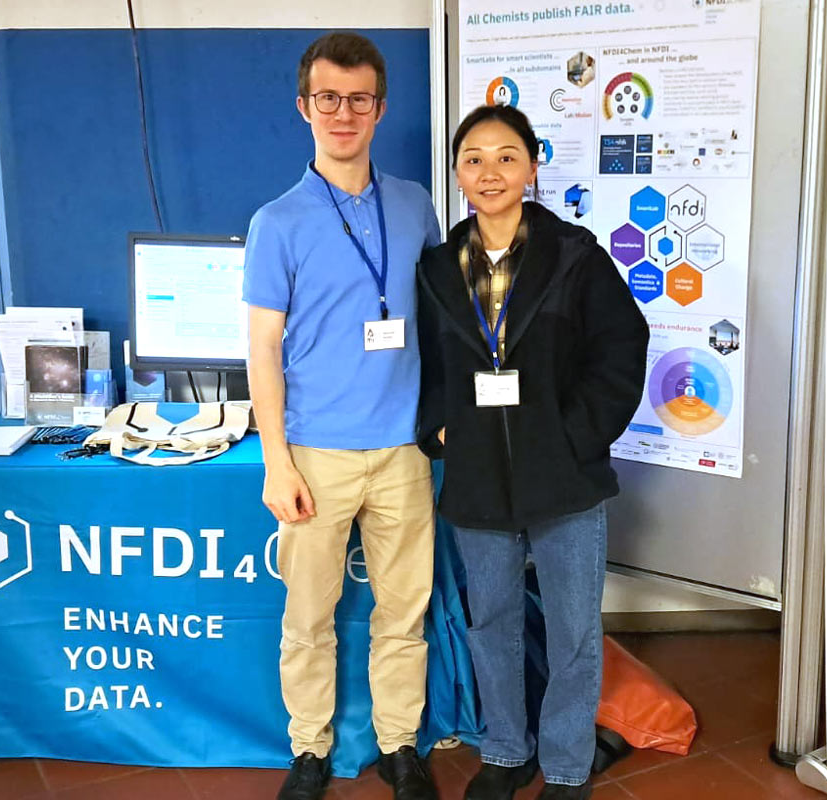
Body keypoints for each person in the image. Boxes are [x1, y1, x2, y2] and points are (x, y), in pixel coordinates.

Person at [416, 105, 649, 800]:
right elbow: (427, 366)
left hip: (565, 476)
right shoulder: (436, 269)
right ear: (458, 173)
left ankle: (569, 766)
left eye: (506, 156)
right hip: (479, 475)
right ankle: (506, 752)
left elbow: (620, 352)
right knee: (492, 621)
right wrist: (440, 429)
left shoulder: (576, 256)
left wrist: (574, 436)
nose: (490, 172)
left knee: (575, 628)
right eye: (475, 158)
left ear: (532, 167)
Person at [243, 32, 442, 800]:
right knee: (309, 617)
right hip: (316, 455)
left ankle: (400, 747)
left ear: (380, 108)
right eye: (328, 98)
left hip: (403, 451)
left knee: (404, 613)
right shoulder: (278, 223)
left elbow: (437, 317)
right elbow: (263, 349)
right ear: (304, 107)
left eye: (359, 99)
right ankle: (309, 751)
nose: (344, 113)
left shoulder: (415, 204)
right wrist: (277, 460)